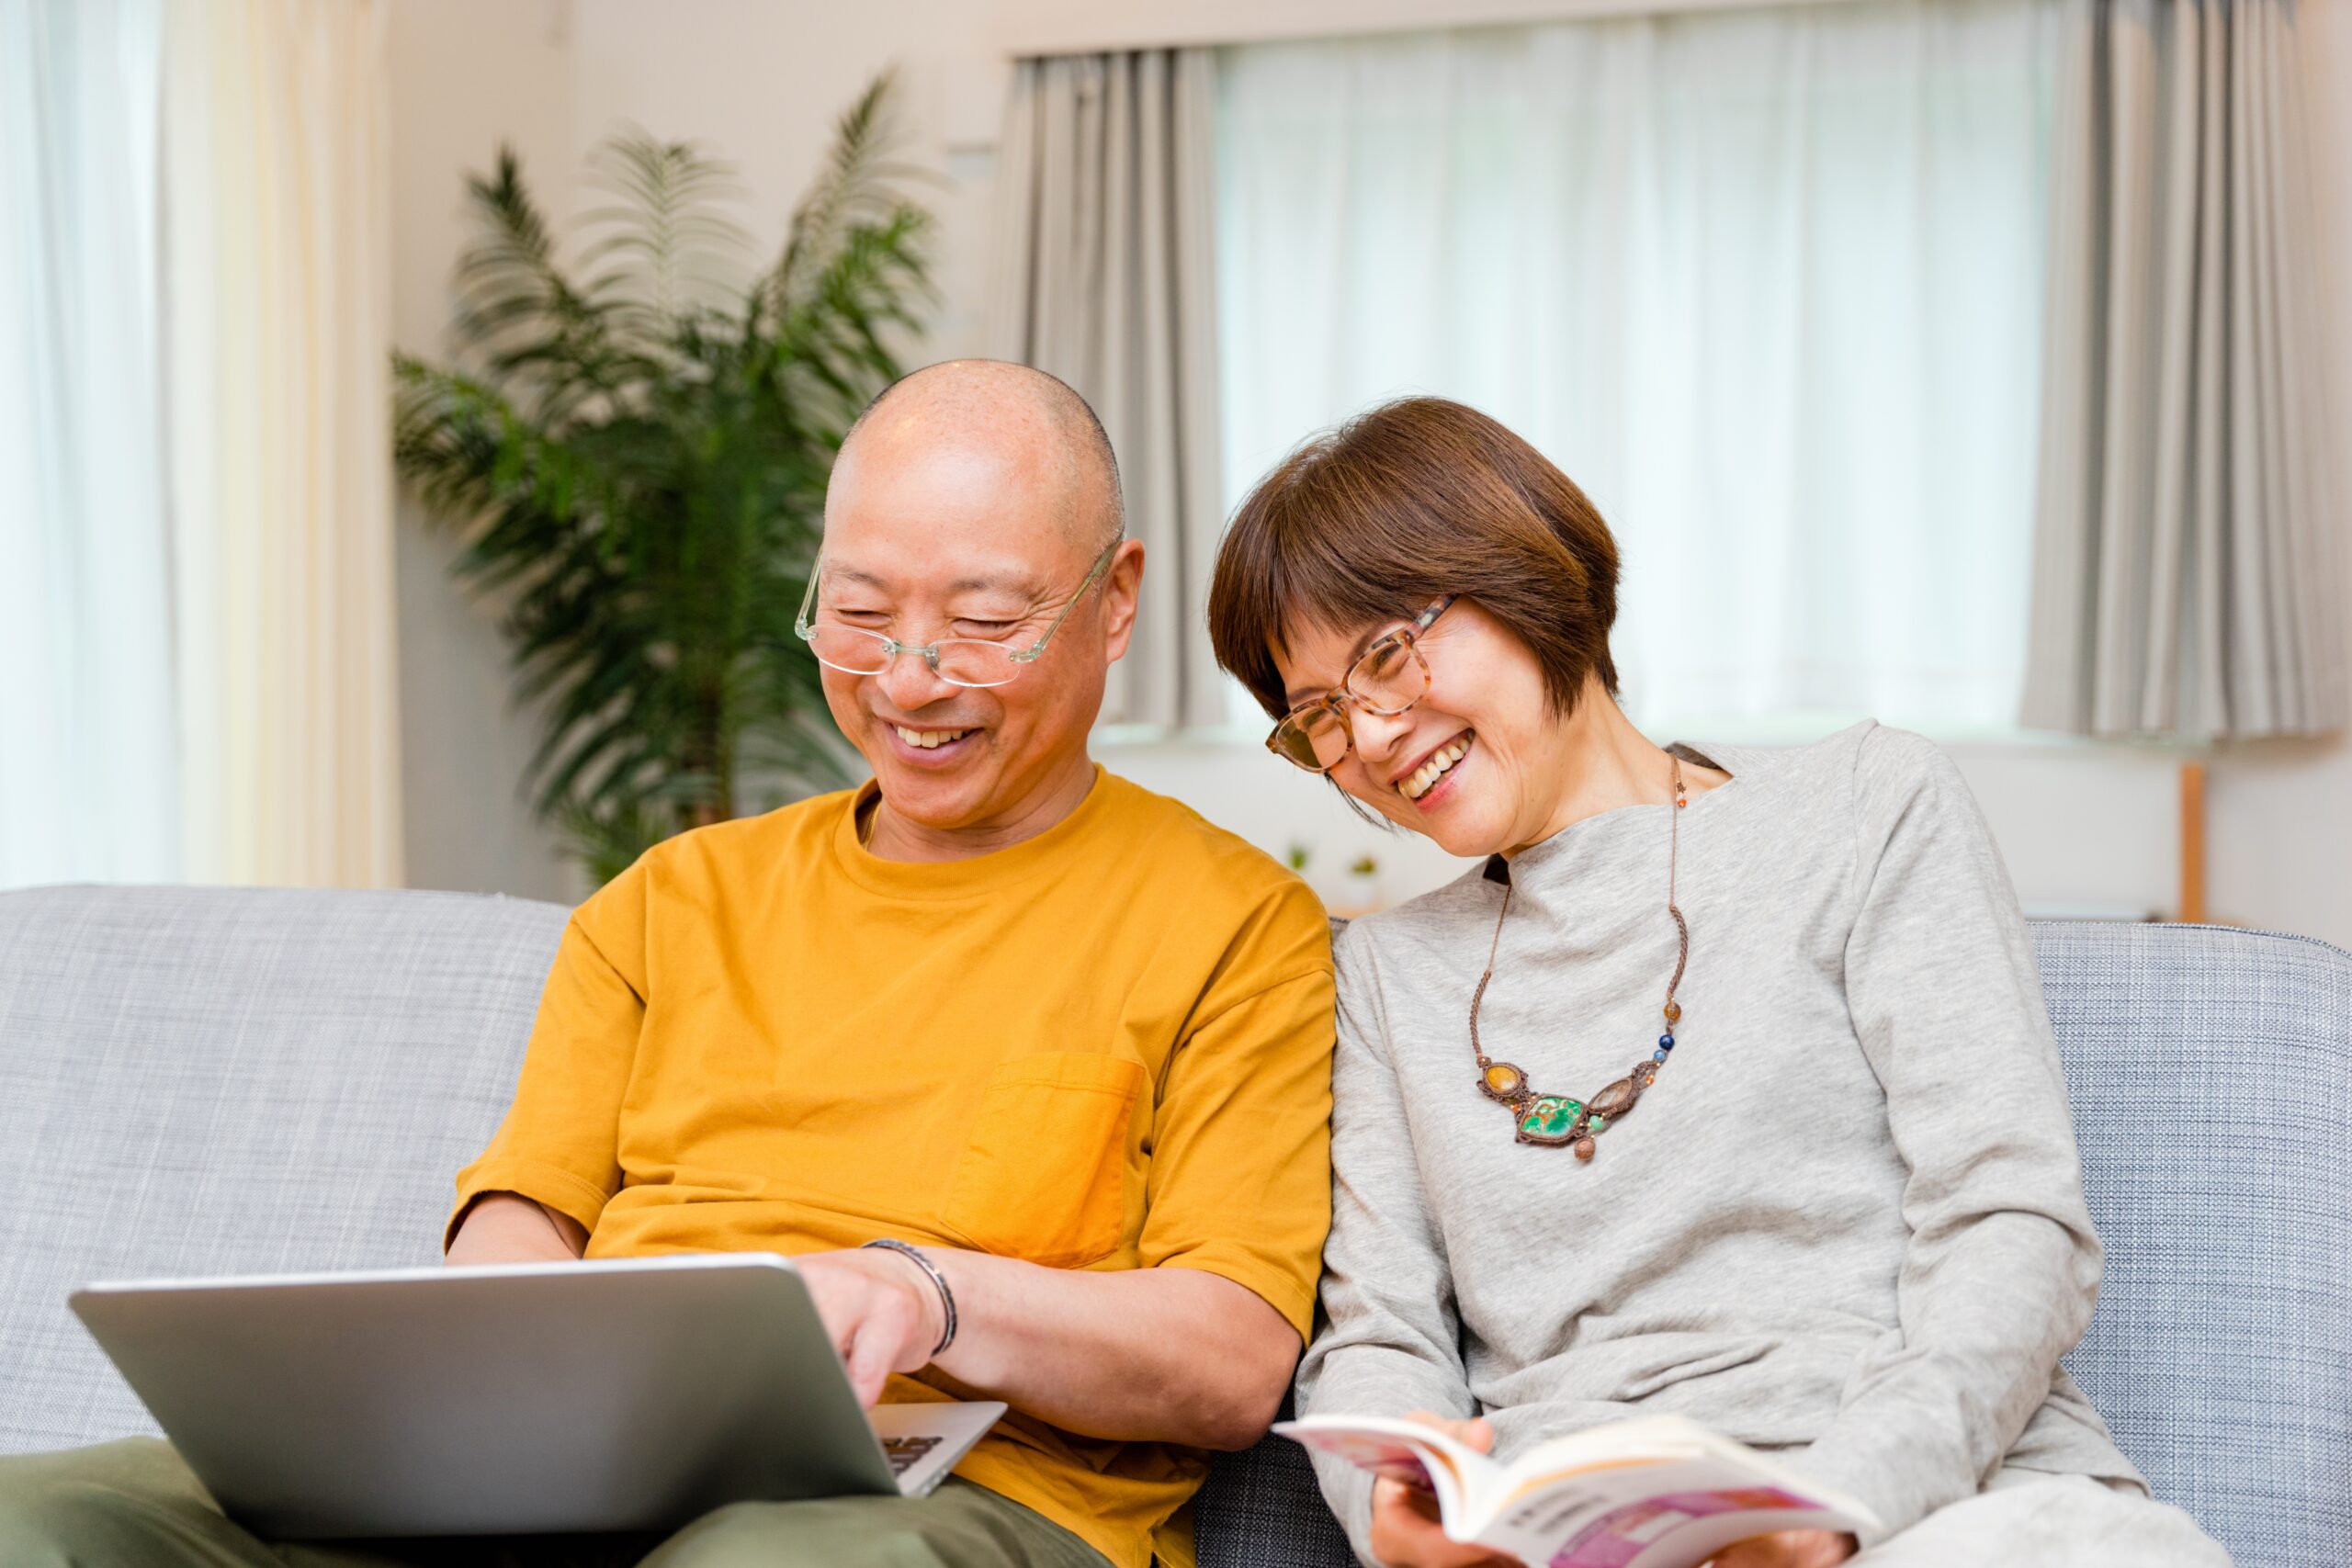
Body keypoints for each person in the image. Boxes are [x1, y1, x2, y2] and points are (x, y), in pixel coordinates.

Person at [0, 361, 1336, 1568]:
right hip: (578, 1477)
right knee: (43, 1517)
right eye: (859, 613)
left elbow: (1231, 1360)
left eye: (985, 620)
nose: (910, 679)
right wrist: (487, 1371)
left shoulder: (1236, 925)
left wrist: (924, 1296)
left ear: (1114, 601)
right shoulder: (671, 897)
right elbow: (529, 1208)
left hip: (955, 1499)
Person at [1204, 396, 2232, 1568]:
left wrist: (1831, 1506)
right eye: (1319, 716)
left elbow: (2010, 1217)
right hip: (1596, 1539)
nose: (1373, 735)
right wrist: (1393, 1510)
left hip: (1940, 1508)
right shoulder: (1385, 976)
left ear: (1528, 574)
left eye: (1386, 653)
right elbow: (1376, 1331)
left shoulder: (1865, 807)